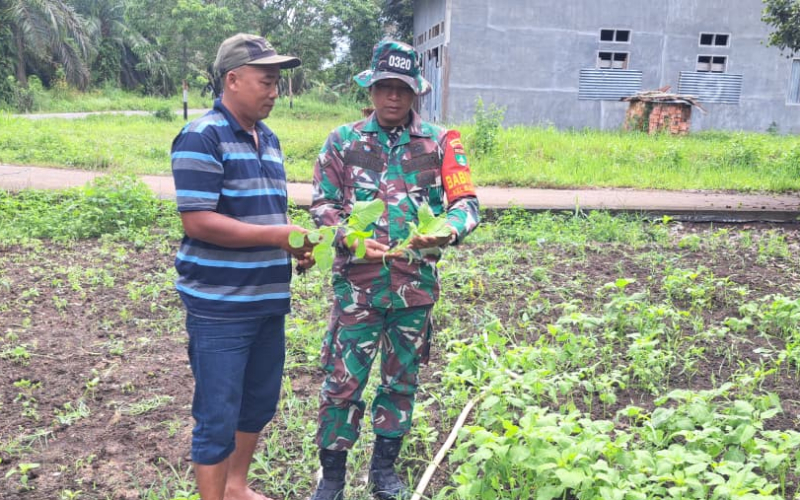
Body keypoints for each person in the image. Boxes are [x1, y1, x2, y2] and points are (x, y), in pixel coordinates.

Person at [308, 39, 480, 500]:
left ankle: (384, 472)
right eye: (384, 87)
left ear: (415, 93)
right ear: (371, 88)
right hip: (357, 289)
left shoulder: (443, 142)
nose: (392, 98)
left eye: (402, 89)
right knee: (342, 384)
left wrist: (447, 232)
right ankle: (334, 478)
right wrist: (349, 236)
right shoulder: (342, 141)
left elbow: (466, 203)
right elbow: (323, 205)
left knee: (401, 382)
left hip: (414, 289)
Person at [170, 33, 314, 500]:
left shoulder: (268, 139)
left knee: (257, 404)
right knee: (217, 414)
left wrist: (295, 243)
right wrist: (278, 236)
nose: (274, 91)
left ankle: (236, 486)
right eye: (266, 81)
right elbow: (198, 221)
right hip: (220, 306)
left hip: (268, 299)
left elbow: (269, 215)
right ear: (233, 80)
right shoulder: (202, 135)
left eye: (276, 82)